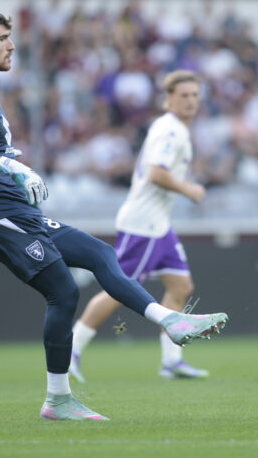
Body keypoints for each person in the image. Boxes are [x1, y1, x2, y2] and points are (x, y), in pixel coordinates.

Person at [0, 9, 227, 421]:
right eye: (3, 38)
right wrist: (10, 166)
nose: (12, 45)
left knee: (99, 254)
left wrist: (10, 168)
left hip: (19, 213)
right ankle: (58, 398)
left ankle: (170, 322)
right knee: (64, 292)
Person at [70, 70, 211, 382]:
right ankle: (71, 349)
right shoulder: (170, 131)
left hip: (158, 224)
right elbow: (156, 173)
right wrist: (190, 189)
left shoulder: (176, 129)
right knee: (119, 289)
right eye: (183, 95)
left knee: (181, 287)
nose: (190, 101)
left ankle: (172, 361)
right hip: (143, 224)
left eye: (194, 95)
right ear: (169, 98)